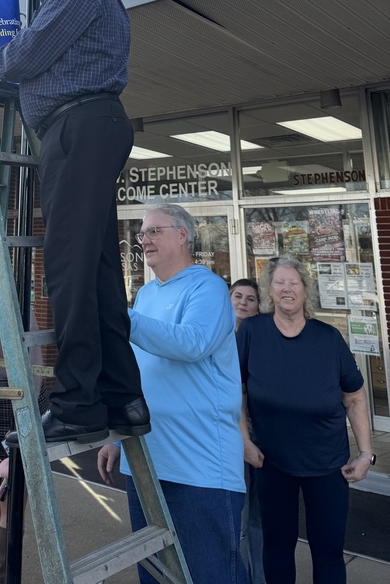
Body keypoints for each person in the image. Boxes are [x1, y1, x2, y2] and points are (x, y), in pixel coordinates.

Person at [0, 0, 148, 445]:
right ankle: (123, 400)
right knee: (95, 271)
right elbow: (51, 2)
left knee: (69, 269)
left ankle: (75, 404)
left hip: (78, 128)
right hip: (91, 126)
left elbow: (30, 51)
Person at [97, 204, 247, 584]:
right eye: (142, 234)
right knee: (157, 574)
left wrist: (121, 317)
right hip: (145, 461)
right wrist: (116, 435)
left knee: (208, 574)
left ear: (183, 235)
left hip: (199, 468)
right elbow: (133, 371)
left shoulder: (208, 288)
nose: (143, 240)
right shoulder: (146, 295)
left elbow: (192, 343)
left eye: (153, 231)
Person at [237, 254, 373, 584]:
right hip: (272, 462)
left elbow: (354, 397)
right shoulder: (252, 332)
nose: (287, 289)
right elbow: (236, 389)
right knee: (278, 548)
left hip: (327, 465)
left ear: (304, 290)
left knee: (328, 551)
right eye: (280, 282)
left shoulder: (328, 338)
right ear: (270, 290)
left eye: (293, 283)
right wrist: (243, 439)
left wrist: (366, 453)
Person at [0, 246, 46, 584]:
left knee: (12, 496)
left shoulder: (16, 307)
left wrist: (25, 417)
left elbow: (34, 363)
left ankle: (3, 578)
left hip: (13, 405)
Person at [230, 278, 265, 584]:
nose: (243, 302)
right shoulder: (219, 336)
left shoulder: (264, 339)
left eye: (250, 299)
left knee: (259, 515)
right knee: (237, 517)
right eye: (237, 296)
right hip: (229, 436)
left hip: (263, 436)